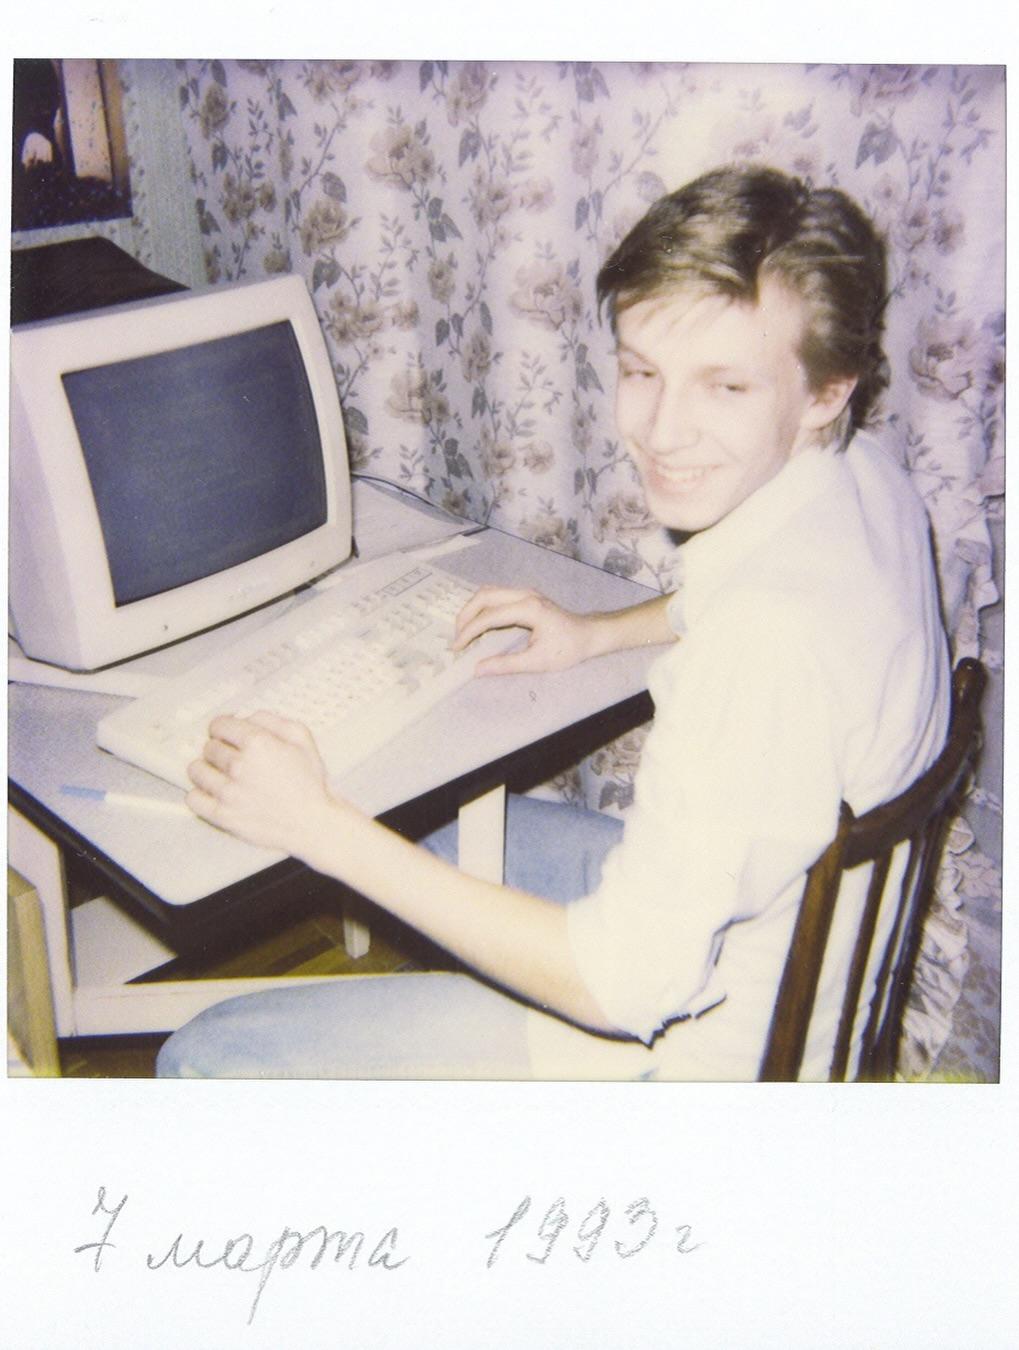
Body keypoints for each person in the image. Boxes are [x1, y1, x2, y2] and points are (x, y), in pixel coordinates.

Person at [157, 165, 950, 1082]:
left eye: (725, 388)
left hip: (700, 1067)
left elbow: (620, 987)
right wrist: (597, 632)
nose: (660, 430)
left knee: (208, 1055)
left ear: (823, 392)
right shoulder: (860, 478)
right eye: (641, 371)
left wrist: (318, 826)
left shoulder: (762, 652)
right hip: (801, 963)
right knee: (422, 836)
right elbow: (725, 601)